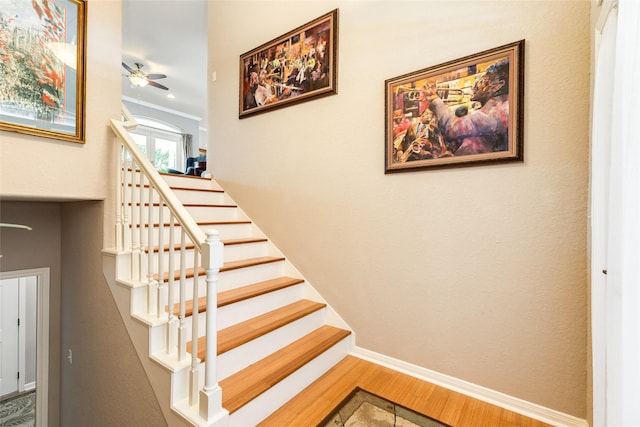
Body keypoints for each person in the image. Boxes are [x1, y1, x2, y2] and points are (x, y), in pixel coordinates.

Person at [422, 59, 510, 156]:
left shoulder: (497, 110)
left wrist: (435, 100)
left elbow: (453, 128)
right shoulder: (503, 107)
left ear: (497, 85)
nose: (476, 85)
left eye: (484, 80)